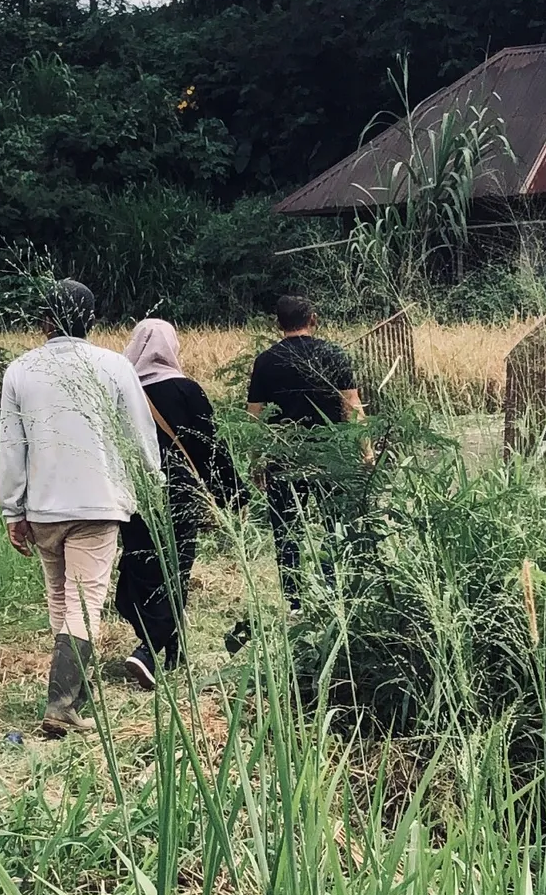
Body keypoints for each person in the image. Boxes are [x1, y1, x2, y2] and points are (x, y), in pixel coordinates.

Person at [0, 280, 161, 734]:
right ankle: (62, 703)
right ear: (90, 320)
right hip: (98, 501)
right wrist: (153, 478)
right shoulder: (113, 365)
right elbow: (139, 432)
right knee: (84, 600)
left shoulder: (20, 370)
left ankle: (71, 689)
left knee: (60, 596)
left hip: (43, 506)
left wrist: (12, 509)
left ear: (44, 321)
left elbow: (12, 445)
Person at [114, 317, 234, 690]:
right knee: (176, 570)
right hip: (179, 492)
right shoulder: (186, 390)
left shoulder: (119, 390)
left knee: (141, 567)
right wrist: (232, 493)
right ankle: (151, 650)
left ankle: (164, 648)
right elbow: (208, 447)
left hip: (134, 494)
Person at [246, 294, 366, 606]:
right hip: (331, 452)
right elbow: (352, 406)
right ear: (313, 319)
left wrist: (256, 461)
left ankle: (295, 600)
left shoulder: (265, 361)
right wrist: (365, 450)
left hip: (283, 455)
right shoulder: (334, 354)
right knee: (334, 523)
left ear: (278, 324)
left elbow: (255, 417)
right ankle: (333, 591)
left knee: (286, 526)